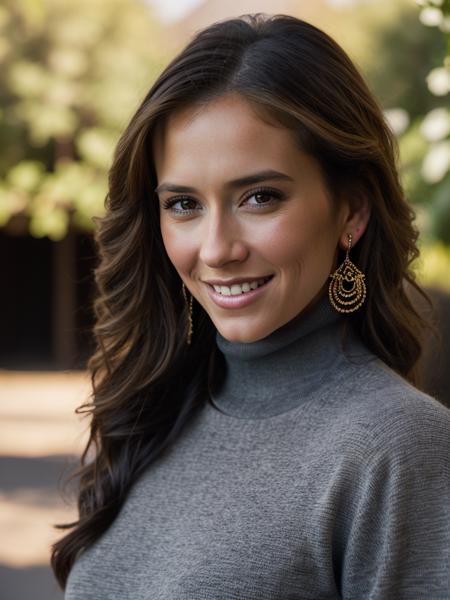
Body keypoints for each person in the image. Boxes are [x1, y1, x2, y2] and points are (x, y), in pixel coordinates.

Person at [53, 13, 450, 599]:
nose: (216, 249)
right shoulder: (153, 417)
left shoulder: (397, 447)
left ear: (352, 211)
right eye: (184, 204)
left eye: (260, 197)